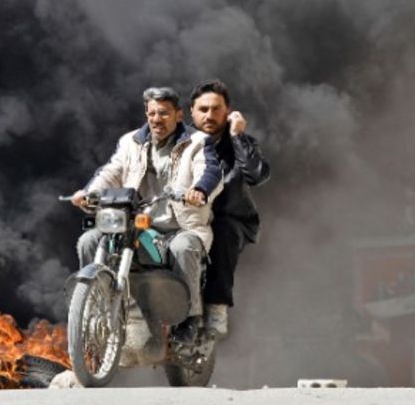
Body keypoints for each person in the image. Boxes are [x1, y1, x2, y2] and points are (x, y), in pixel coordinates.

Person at [70, 86, 222, 342]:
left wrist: (199, 190)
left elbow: (210, 172)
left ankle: (189, 320)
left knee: (184, 248)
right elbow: (111, 171)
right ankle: (97, 304)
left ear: (178, 114)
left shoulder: (197, 142)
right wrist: (89, 192)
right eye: (151, 113)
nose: (156, 119)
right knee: (90, 240)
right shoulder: (131, 142)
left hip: (179, 226)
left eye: (163, 113)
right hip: (138, 224)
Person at [189, 79, 271, 337]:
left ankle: (216, 306)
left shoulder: (240, 142)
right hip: (187, 217)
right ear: (192, 111)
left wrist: (237, 135)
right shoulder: (182, 142)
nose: (209, 115)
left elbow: (257, 175)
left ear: (228, 111)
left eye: (216, 109)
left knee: (222, 231)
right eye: (203, 109)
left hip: (229, 216)